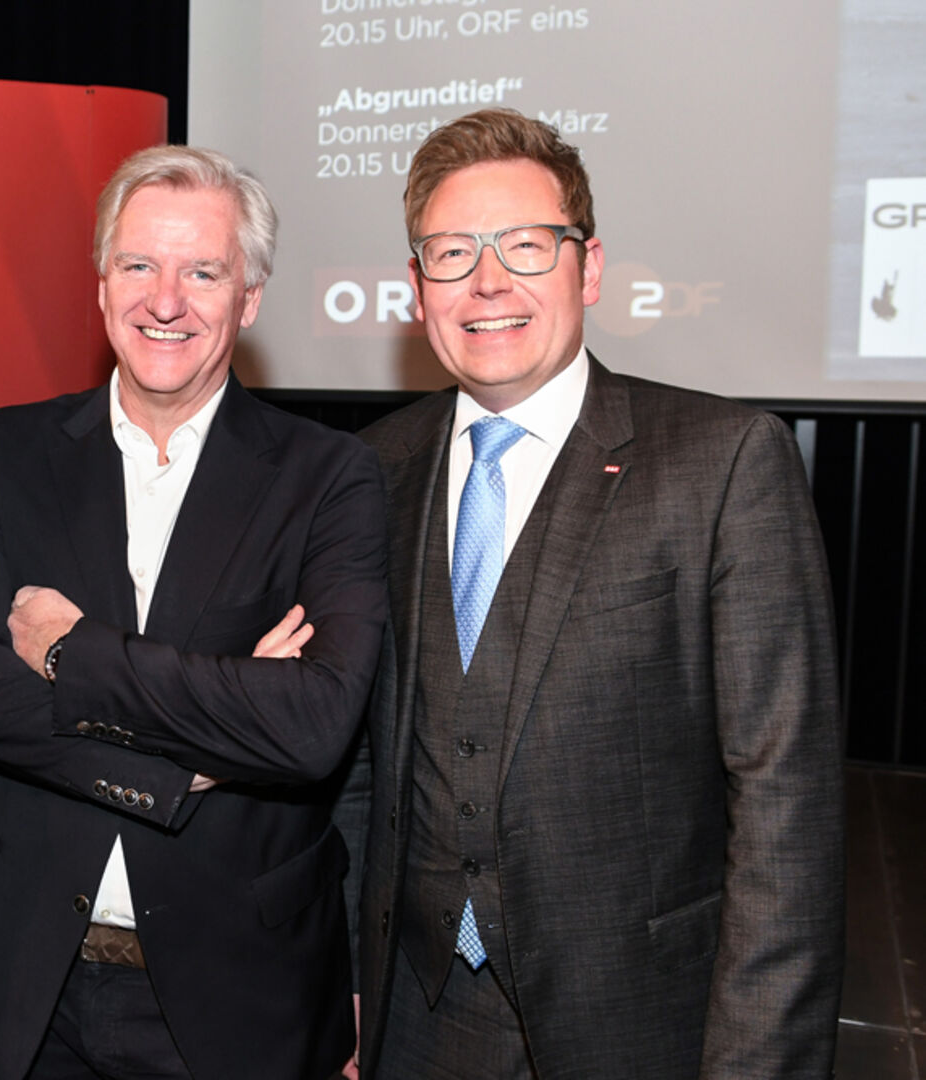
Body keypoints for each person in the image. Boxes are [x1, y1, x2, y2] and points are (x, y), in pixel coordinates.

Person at [336, 107, 845, 1079]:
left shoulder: (722, 463)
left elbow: (785, 806)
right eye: (451, 253)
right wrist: (345, 986)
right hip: (415, 1016)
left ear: (589, 268)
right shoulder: (372, 470)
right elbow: (356, 767)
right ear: (416, 286)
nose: (487, 281)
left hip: (639, 1023)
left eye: (525, 246)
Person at [0, 144, 388, 1080]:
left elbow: (311, 725)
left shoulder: (329, 475)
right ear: (101, 284)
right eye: (138, 265)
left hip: (237, 989)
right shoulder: (7, 451)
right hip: (18, 974)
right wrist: (203, 744)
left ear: (248, 299)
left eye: (203, 272)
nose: (164, 301)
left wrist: (72, 654)